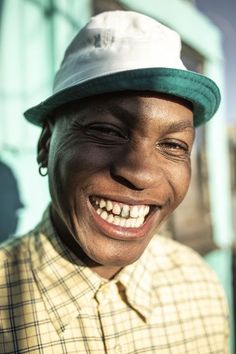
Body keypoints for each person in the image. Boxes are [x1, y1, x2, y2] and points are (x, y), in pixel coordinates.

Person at [0, 10, 229, 354]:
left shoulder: (199, 284)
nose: (141, 173)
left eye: (172, 145)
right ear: (45, 146)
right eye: (106, 131)